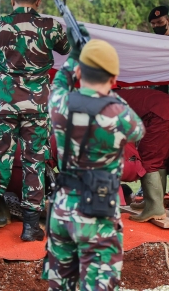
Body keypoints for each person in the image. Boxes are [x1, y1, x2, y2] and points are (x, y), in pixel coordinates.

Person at [43, 37, 145, 290]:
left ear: (79, 72)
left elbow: (58, 84)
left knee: (60, 286)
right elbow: (138, 132)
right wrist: (109, 96)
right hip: (97, 213)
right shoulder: (119, 113)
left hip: (61, 209)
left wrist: (73, 58)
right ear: (113, 79)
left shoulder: (59, 104)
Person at [0, 0, 70, 242]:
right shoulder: (51, 26)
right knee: (34, 162)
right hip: (36, 107)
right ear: (38, 3)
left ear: (12, 1)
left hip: (4, 105)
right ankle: (30, 226)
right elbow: (66, 48)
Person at [114, 88, 169, 222]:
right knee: (160, 160)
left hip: (163, 116)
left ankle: (155, 207)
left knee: (149, 160)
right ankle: (154, 201)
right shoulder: (122, 95)